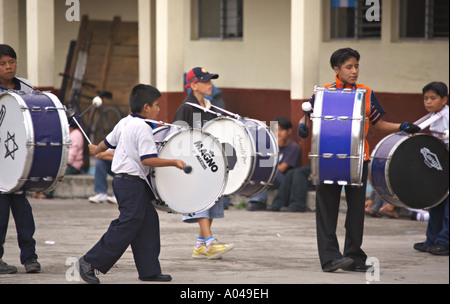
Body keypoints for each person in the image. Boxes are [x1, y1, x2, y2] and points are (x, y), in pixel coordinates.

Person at [298, 47, 420, 272]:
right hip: (328, 158)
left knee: (355, 211)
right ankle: (330, 258)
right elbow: (306, 115)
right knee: (327, 209)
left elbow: (378, 123)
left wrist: (401, 126)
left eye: (356, 66)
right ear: (336, 69)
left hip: (358, 157)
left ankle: (354, 257)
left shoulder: (366, 92)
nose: (354, 71)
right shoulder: (323, 92)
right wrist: (302, 126)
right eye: (349, 67)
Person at [77, 84, 186, 284]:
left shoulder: (124, 122)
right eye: (156, 105)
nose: (158, 109)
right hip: (130, 183)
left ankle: (149, 270)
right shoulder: (143, 128)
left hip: (127, 182)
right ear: (146, 107)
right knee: (127, 225)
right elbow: (148, 159)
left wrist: (95, 149)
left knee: (148, 222)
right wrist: (174, 162)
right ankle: (88, 262)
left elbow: (103, 145)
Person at [173, 67, 234, 260]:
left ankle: (200, 244)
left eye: (211, 81)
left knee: (213, 201)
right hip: (194, 165)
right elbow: (177, 137)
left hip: (212, 164)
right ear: (193, 85)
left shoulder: (212, 107)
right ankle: (209, 243)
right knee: (202, 201)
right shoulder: (186, 108)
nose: (210, 85)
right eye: (206, 81)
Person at [0, 44, 41, 274]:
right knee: (0, 215)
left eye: (12, 62)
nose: (8, 67)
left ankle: (30, 258)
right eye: (3, 64)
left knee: (24, 214)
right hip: (0, 164)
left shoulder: (26, 87)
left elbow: (36, 117)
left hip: (19, 160)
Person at [413, 81, 449, 256]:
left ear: (444, 100)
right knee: (436, 203)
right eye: (425, 98)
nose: (428, 102)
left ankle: (445, 241)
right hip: (441, 169)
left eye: (433, 98)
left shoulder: (448, 116)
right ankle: (432, 239)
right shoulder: (432, 117)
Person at [247, 117, 301, 211]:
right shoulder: (272, 144)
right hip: (273, 177)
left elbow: (282, 168)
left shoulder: (293, 147)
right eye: (276, 130)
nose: (278, 133)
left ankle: (259, 201)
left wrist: (275, 151)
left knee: (266, 171)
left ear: (289, 131)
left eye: (281, 130)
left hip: (284, 179)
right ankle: (256, 200)